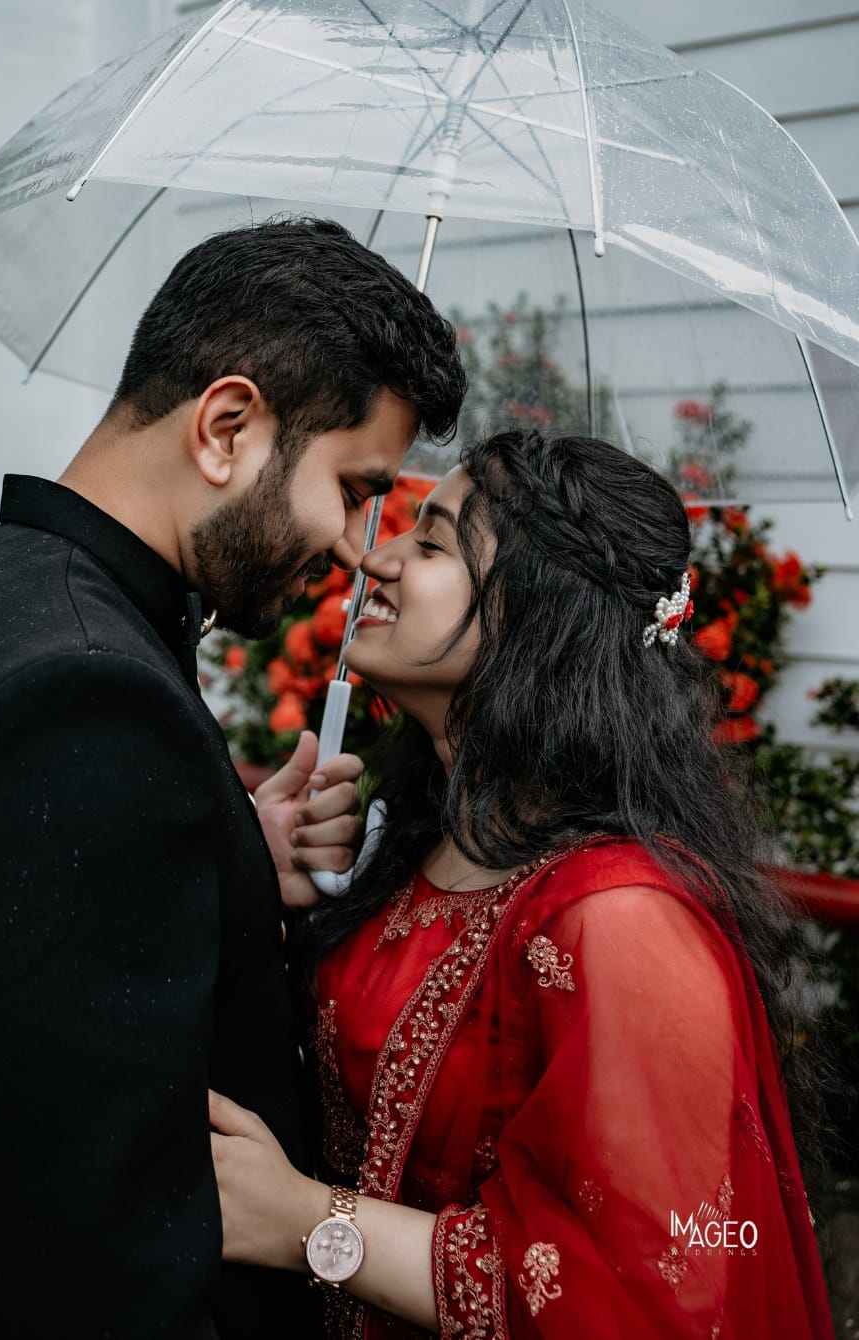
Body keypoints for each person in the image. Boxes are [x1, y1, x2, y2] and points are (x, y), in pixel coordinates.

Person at [0, 216, 467, 1339]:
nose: (355, 545)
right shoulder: (82, 699)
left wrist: (228, 859)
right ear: (227, 426)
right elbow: (95, 1270)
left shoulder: (9, 592)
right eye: (353, 485)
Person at [208, 428, 838, 1338]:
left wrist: (311, 1222)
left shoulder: (623, 917)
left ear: (533, 617)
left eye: (431, 544)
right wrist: (272, 896)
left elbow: (634, 1287)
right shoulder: (423, 839)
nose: (374, 558)